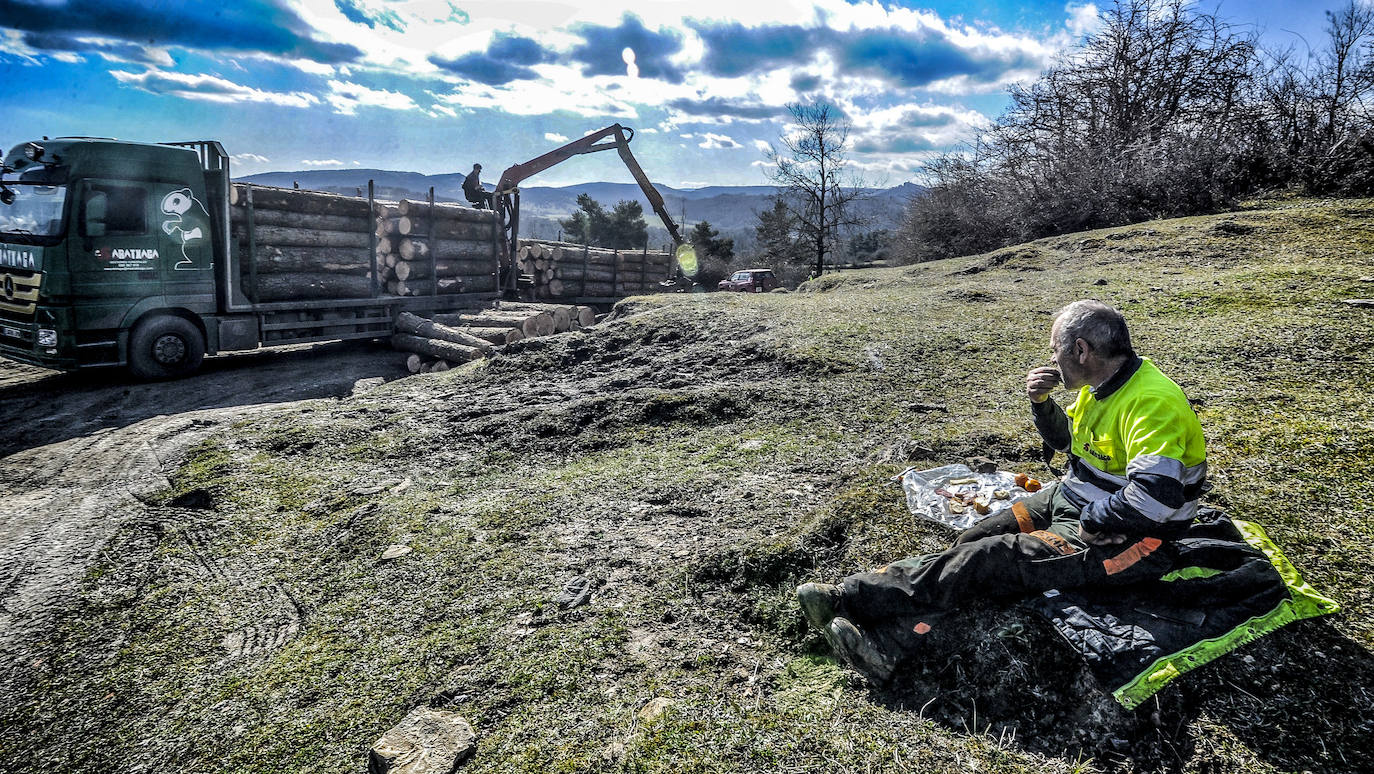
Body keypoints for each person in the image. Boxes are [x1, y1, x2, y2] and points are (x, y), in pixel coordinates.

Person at [797, 300, 1209, 681]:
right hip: (1071, 498)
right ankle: (895, 634)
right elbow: (1071, 442)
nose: (1052, 359)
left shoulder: (1152, 402)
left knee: (989, 559)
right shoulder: (1100, 384)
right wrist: (1041, 403)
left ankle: (853, 603)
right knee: (973, 539)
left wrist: (1095, 519)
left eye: (1055, 350)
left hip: (1135, 538)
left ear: (1081, 350)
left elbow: (1156, 497)